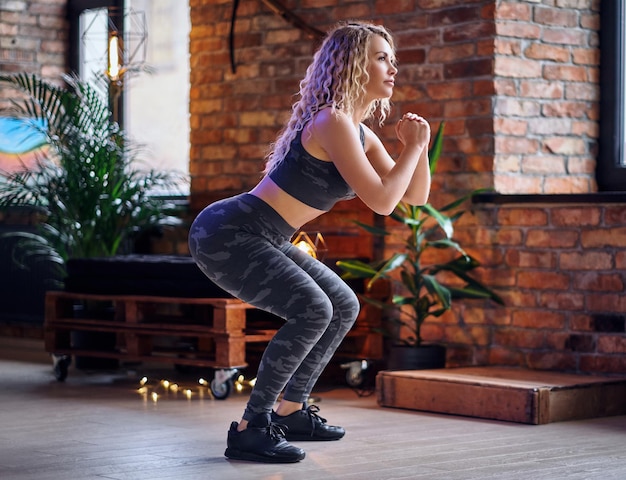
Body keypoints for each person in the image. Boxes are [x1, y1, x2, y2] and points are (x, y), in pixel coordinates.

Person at [188, 21, 431, 464]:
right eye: (381, 57)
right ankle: (251, 427)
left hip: (269, 235)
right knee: (314, 308)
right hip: (229, 232)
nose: (392, 67)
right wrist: (411, 150)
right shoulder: (332, 121)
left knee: (343, 305)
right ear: (354, 64)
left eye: (392, 58)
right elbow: (381, 201)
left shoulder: (359, 132)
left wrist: (421, 146)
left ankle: (293, 410)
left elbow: (412, 197)